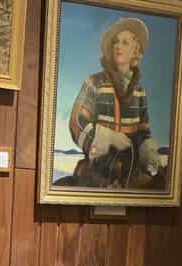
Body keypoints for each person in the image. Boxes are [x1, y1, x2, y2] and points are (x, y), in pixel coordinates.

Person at [67, 17, 162, 186]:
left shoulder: (139, 91)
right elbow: (77, 123)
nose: (118, 46)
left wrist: (147, 150)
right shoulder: (94, 83)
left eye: (125, 42)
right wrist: (107, 137)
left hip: (129, 170)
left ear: (136, 51)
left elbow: (143, 131)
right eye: (116, 42)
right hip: (99, 169)